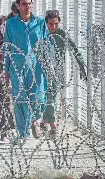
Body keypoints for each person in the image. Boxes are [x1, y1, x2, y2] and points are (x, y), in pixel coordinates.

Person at [3, 0, 49, 144]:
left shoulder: (40, 23)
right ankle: (23, 134)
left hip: (36, 66)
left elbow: (47, 44)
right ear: (17, 6)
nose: (27, 6)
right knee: (20, 99)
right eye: (24, 4)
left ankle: (34, 120)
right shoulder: (11, 24)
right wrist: (6, 69)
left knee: (38, 98)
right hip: (17, 66)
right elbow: (7, 47)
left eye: (29, 3)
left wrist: (48, 64)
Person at [41, 9, 87, 138]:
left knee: (51, 97)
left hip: (57, 71)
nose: (53, 27)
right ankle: (49, 122)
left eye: (56, 24)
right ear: (46, 23)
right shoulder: (41, 33)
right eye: (50, 24)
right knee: (45, 97)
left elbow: (74, 49)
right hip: (42, 71)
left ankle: (51, 123)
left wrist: (81, 66)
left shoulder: (61, 34)